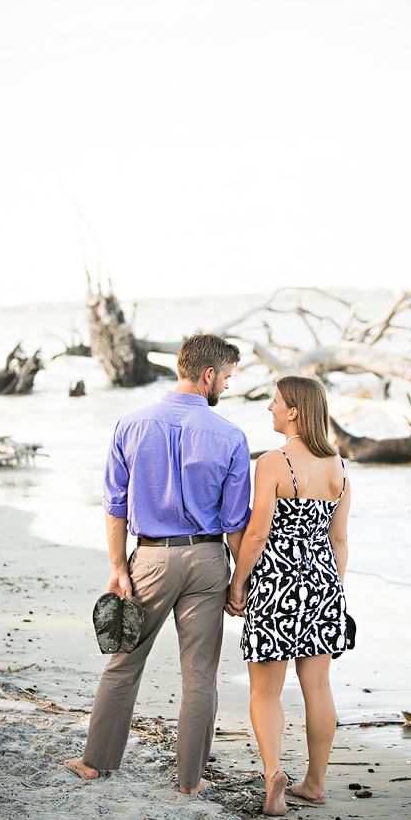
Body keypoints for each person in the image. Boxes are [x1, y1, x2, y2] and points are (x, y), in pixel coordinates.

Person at [65, 332, 251, 795]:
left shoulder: (130, 424)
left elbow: (115, 503)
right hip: (208, 558)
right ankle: (190, 781)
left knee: (125, 663)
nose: (226, 387)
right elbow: (235, 523)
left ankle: (96, 763)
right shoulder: (229, 435)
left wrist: (117, 566)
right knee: (201, 674)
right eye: (226, 377)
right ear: (208, 374)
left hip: (149, 557)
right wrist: (239, 580)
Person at [225, 375, 351, 816]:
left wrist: (238, 584)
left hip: (277, 584)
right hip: (324, 585)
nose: (269, 408)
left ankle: (275, 772)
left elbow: (257, 533)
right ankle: (315, 782)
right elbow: (339, 540)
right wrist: (334, 592)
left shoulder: (274, 462)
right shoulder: (338, 465)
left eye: (275, 402)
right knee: (317, 686)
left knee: (265, 691)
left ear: (294, 410)